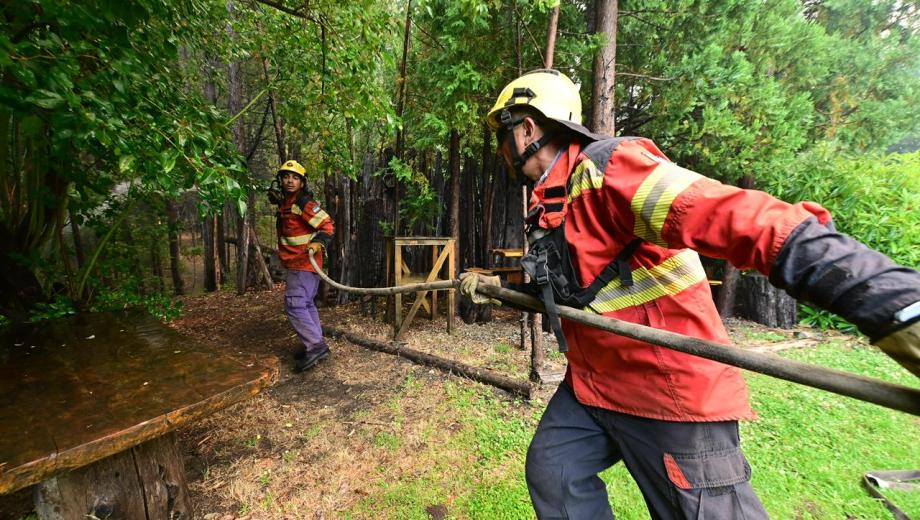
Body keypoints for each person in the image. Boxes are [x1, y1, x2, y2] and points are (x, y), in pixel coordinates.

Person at [459, 69, 920, 519]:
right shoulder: (552, 203)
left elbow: (734, 215)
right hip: (594, 386)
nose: (502, 151)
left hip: (671, 392)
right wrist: (499, 289)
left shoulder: (610, 170)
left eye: (504, 136)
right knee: (554, 471)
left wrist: (888, 300)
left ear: (527, 129)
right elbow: (579, 288)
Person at [274, 160, 335, 373]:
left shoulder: (304, 202)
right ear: (280, 179)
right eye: (286, 176)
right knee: (306, 304)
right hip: (295, 264)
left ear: (302, 182)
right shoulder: (287, 203)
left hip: (303, 263)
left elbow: (327, 225)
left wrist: (319, 242)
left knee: (295, 304)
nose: (290, 180)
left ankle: (316, 346)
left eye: (295, 177)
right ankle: (315, 343)